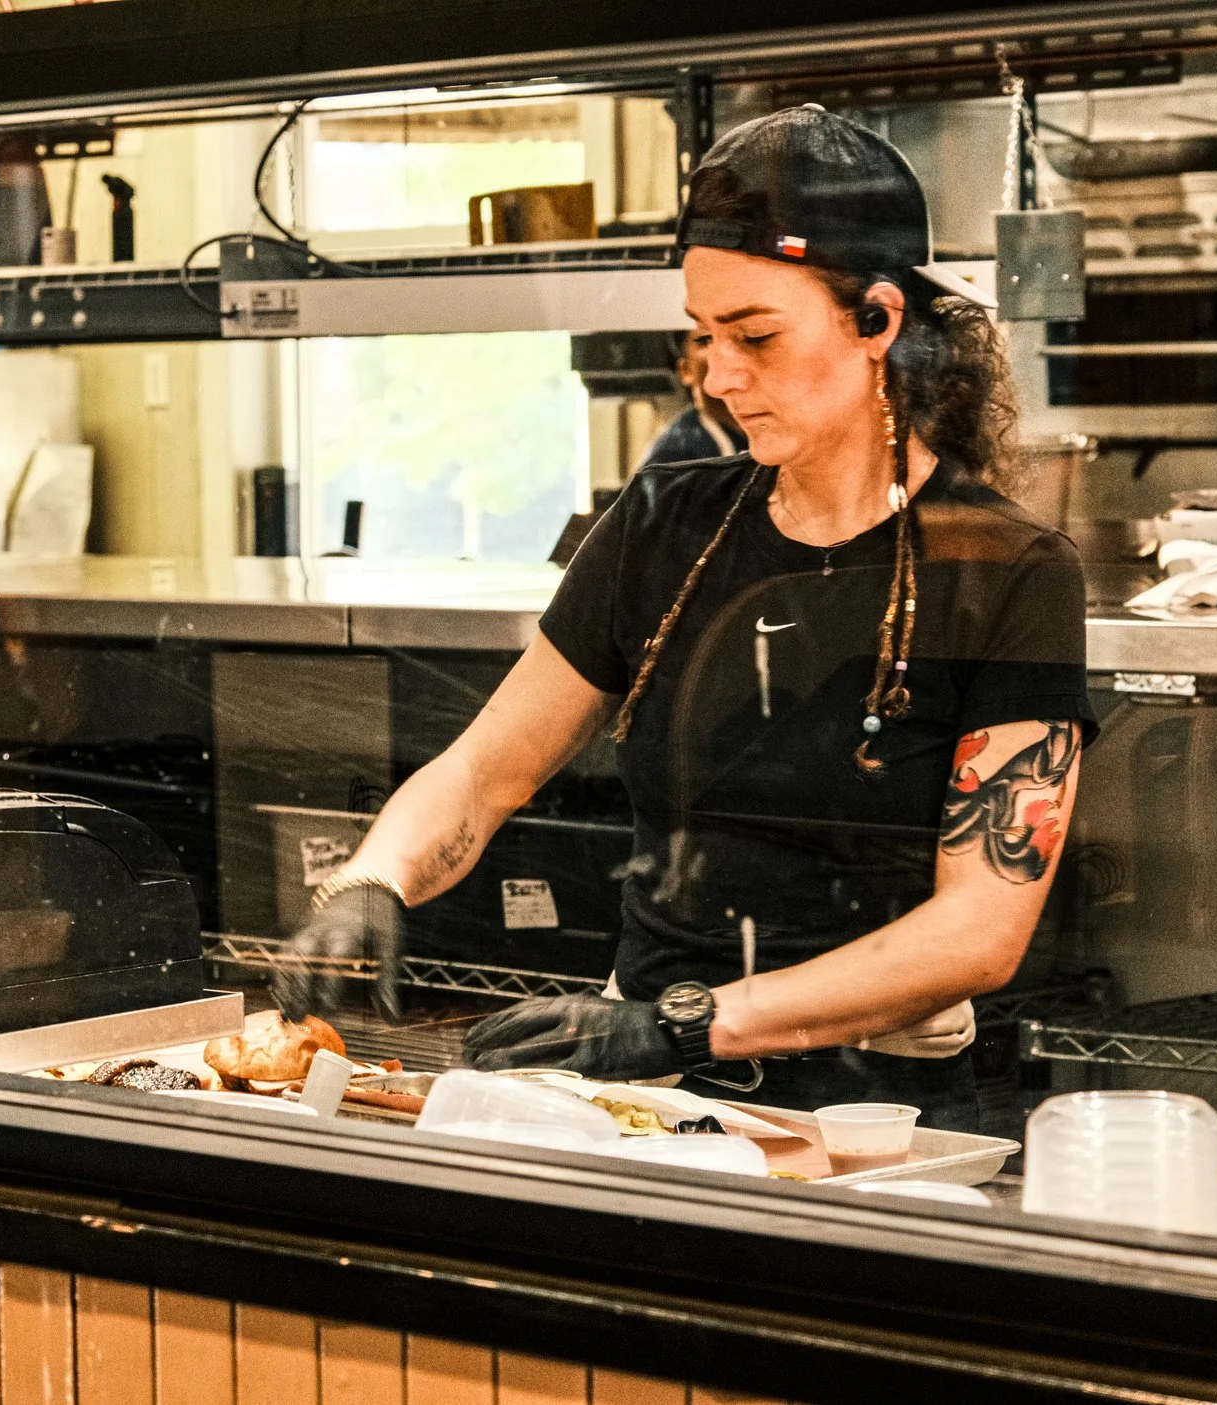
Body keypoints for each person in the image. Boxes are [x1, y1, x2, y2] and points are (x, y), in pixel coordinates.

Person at [277, 107, 1094, 1130]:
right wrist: (376, 879)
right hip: (652, 1103)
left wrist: (691, 1021)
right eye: (703, 337)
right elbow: (487, 770)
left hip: (877, 1117)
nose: (719, 375)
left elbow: (978, 930)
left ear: (877, 320)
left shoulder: (1010, 570)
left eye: (755, 335)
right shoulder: (666, 521)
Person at [639, 332, 747, 467]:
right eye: (705, 340)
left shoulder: (763, 431)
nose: (725, 351)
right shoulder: (673, 457)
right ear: (685, 370)